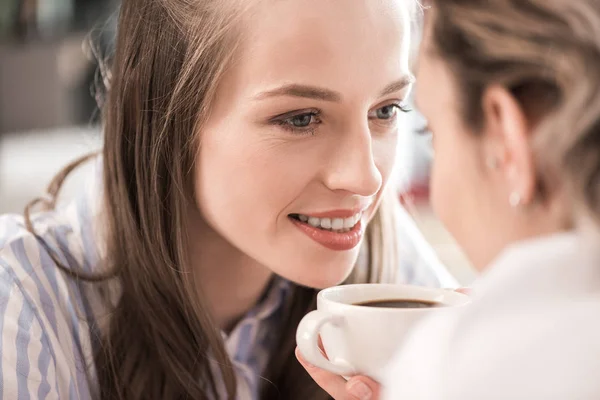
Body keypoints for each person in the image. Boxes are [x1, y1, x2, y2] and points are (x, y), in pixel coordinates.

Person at [0, 0, 455, 399]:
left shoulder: (385, 261)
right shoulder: (21, 308)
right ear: (155, 109)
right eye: (300, 118)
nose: (365, 177)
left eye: (386, 110)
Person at [300, 0, 600, 399]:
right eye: (300, 118)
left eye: (433, 133)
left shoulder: (459, 363)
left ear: (505, 139)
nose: (368, 180)